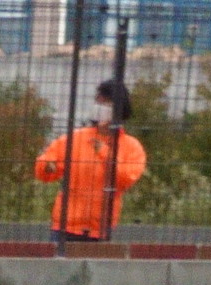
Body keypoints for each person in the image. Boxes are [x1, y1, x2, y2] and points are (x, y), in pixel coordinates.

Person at [35, 78, 145, 248]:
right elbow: (45, 169)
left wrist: (104, 152)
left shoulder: (131, 146)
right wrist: (47, 165)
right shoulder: (75, 139)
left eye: (106, 104)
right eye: (98, 102)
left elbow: (126, 178)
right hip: (65, 225)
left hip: (100, 228)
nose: (100, 108)